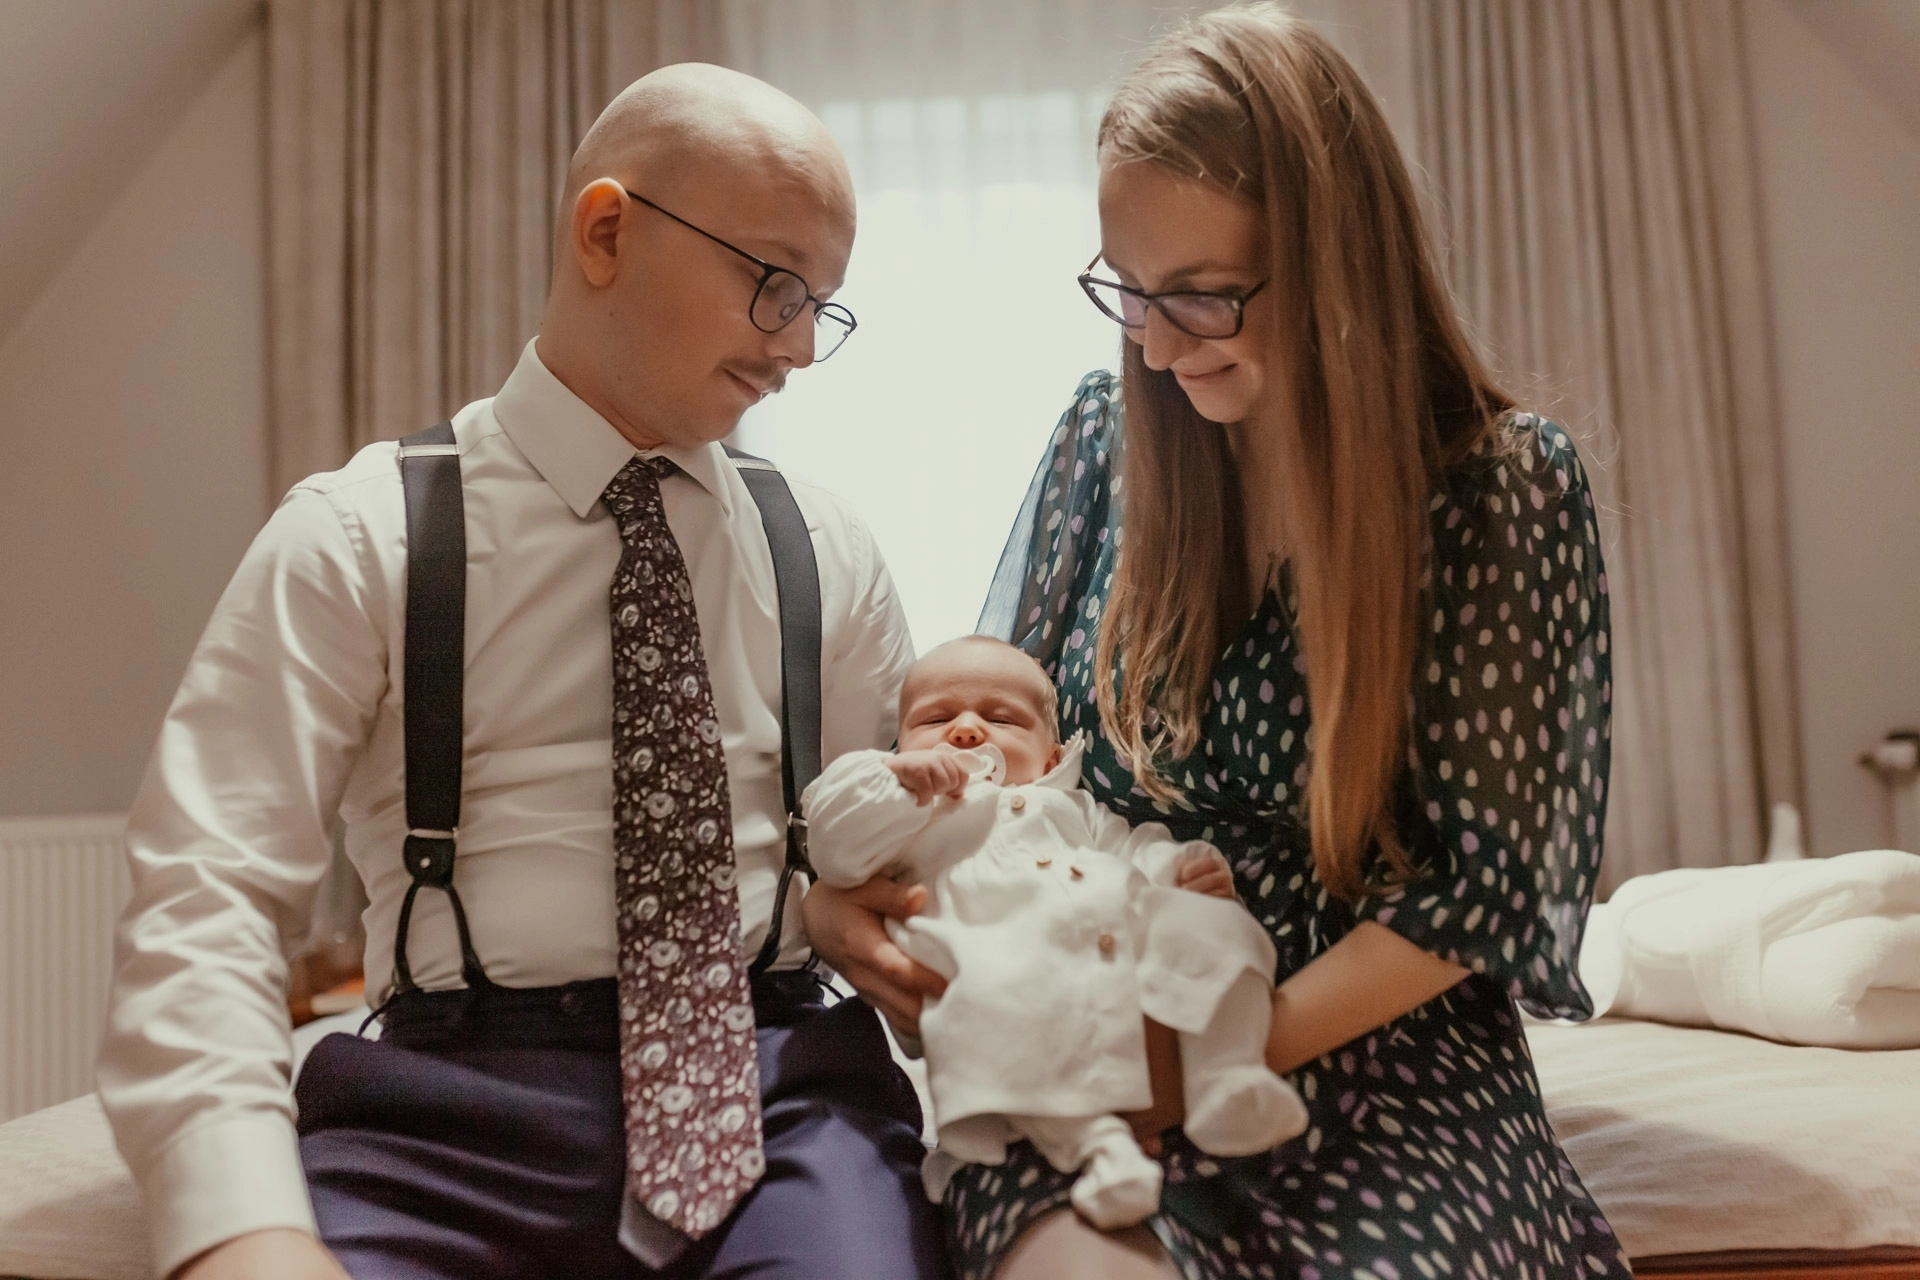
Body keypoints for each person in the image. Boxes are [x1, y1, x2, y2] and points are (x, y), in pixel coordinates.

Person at [803, 6, 1630, 1279]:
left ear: (1337, 266)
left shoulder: (1495, 492)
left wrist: (1209, 1055)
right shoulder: (1105, 444)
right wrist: (837, 906)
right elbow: (998, 773)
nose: (1152, 341)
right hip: (1089, 1028)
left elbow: (1478, 893)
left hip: (1372, 1056)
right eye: (1125, 289)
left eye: (1199, 294)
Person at [97, 64, 947, 1280]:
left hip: (785, 1099)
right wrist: (238, 1229)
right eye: (774, 283)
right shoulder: (357, 535)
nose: (800, 346)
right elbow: (204, 894)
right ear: (606, 232)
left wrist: (896, 918)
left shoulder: (827, 549)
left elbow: (894, 854)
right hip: (439, 1118)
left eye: (822, 305)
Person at [803, 636, 1306, 1230]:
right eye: (934, 720)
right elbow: (832, 843)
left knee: (1217, 929)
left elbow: (1136, 848)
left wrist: (1183, 870)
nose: (965, 730)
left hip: (1119, 956)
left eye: (1000, 719)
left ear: (1051, 759)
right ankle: (1101, 1150)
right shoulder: (910, 823)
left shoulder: (1077, 811)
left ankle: (1227, 1070)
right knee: (1012, 1019)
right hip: (996, 959)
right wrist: (895, 785)